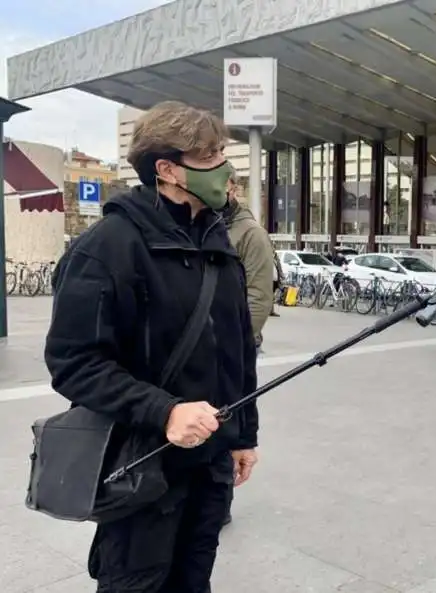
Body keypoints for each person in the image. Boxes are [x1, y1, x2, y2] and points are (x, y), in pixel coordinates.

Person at [44, 100, 260, 593]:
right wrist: (164, 412)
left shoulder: (218, 243)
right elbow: (73, 363)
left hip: (210, 466)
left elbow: (238, 351)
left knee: (193, 580)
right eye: (210, 158)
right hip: (141, 468)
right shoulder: (107, 247)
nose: (225, 169)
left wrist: (244, 435)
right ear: (167, 170)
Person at [221, 169, 275, 524]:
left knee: (227, 418)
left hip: (232, 346)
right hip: (204, 343)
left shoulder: (249, 233)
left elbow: (258, 297)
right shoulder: (207, 223)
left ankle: (219, 500)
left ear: (234, 188)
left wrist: (237, 346)